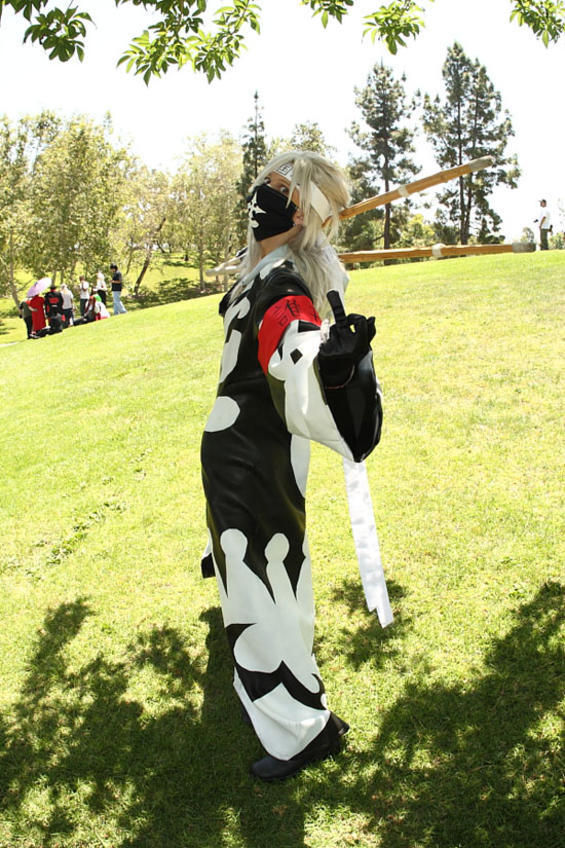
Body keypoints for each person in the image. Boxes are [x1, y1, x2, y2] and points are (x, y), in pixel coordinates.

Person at [200, 151, 383, 782]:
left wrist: (329, 363)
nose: (264, 194)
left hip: (255, 459)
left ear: (301, 212)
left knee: (268, 589)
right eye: (266, 183)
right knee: (255, 580)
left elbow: (293, 345)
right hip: (236, 455)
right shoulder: (265, 271)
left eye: (281, 188)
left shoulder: (282, 286)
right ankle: (285, 703)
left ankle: (303, 729)